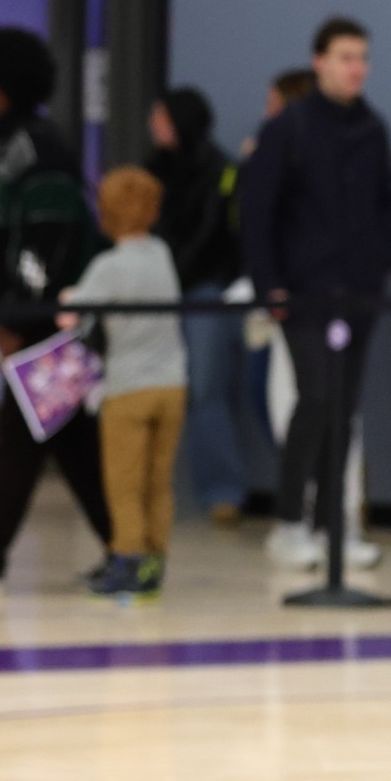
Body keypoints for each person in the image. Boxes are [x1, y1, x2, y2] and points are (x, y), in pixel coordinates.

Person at [241, 16, 391, 571]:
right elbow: (257, 213)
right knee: (314, 401)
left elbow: (389, 203)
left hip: (358, 293)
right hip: (303, 293)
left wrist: (379, 266)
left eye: (362, 57)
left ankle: (334, 527)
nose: (355, 67)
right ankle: (289, 523)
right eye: (344, 57)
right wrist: (271, 286)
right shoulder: (288, 128)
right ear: (319, 62)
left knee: (343, 409)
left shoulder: (372, 128)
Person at [0, 27, 110, 584]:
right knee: (66, 440)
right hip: (21, 319)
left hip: (45, 320)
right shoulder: (0, 142)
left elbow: (47, 246)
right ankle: (124, 546)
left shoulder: (38, 150)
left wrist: (14, 318)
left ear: (0, 82)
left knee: (24, 439)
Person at [59, 167, 188, 596]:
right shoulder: (163, 254)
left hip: (127, 387)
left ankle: (128, 560)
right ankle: (156, 558)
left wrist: (68, 299)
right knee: (158, 480)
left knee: (124, 482)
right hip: (172, 383)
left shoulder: (107, 267)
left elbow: (74, 315)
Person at [146, 87, 246, 525]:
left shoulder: (220, 169)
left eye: (161, 115)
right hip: (155, 292)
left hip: (203, 289)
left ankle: (222, 492)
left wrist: (176, 273)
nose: (153, 122)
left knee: (207, 389)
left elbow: (212, 234)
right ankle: (153, 492)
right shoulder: (152, 170)